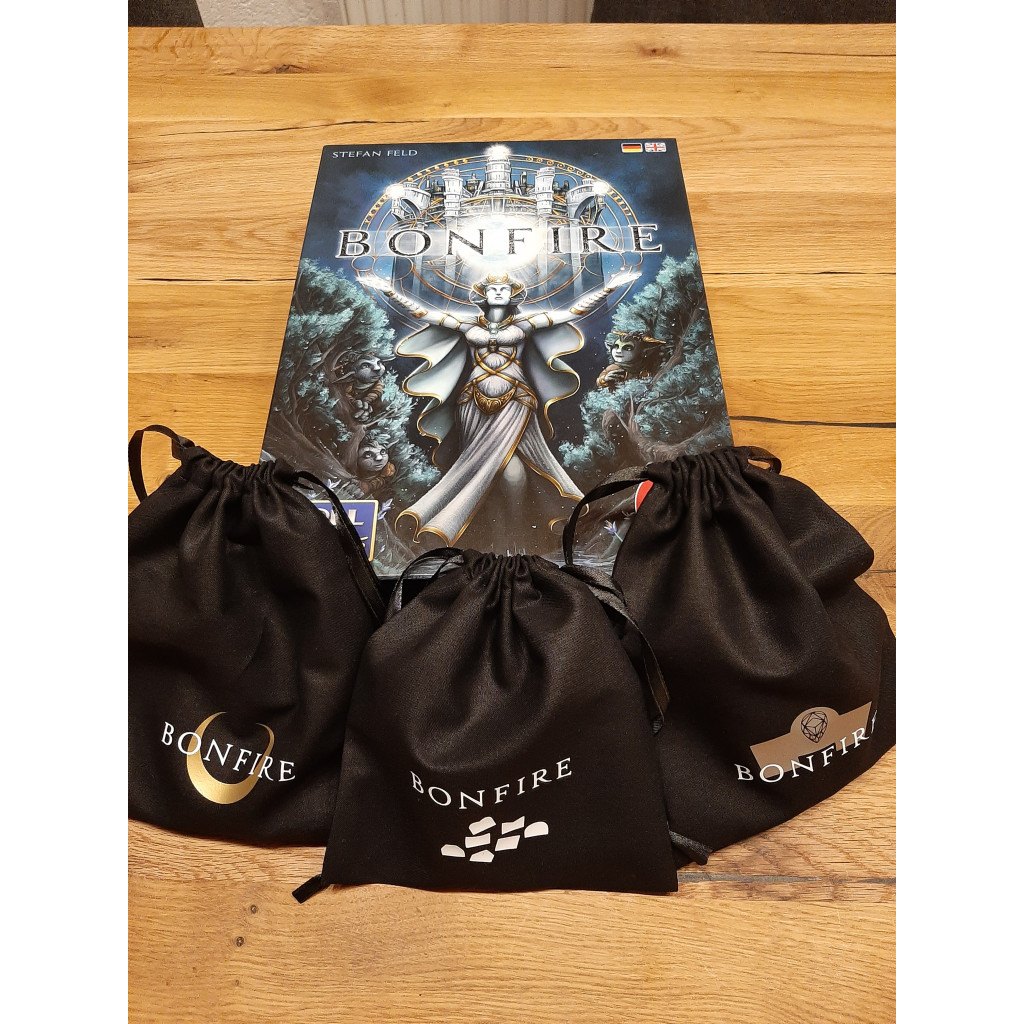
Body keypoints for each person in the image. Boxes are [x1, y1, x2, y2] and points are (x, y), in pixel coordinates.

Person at [362, 269, 639, 549]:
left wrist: (608, 288)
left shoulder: (526, 323)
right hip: (473, 404)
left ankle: (516, 531)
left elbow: (573, 312)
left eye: (504, 289)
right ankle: (497, 536)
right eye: (492, 289)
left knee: (512, 471)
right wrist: (389, 291)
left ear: (512, 295)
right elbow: (422, 313)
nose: (497, 292)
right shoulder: (467, 324)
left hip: (517, 401)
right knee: (482, 465)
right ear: (483, 294)